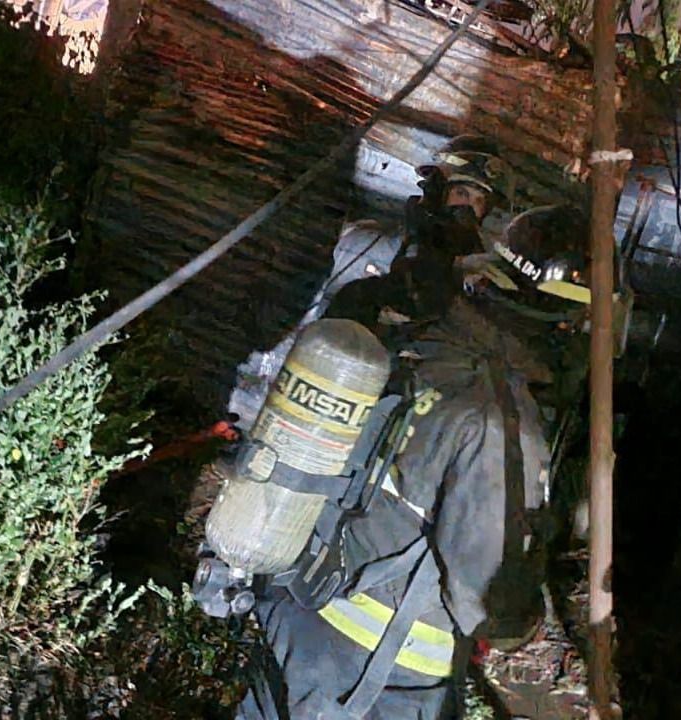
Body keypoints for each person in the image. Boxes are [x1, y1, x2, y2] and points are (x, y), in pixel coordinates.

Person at [233, 204, 592, 720]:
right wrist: (523, 622)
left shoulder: (415, 344)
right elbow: (486, 592)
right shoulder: (499, 421)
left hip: (296, 615)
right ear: (566, 321)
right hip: (377, 674)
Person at [227, 134, 510, 428]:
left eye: (479, 202)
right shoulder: (364, 242)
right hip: (272, 397)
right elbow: (299, 317)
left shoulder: (468, 289)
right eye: (462, 193)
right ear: (438, 188)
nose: (468, 209)